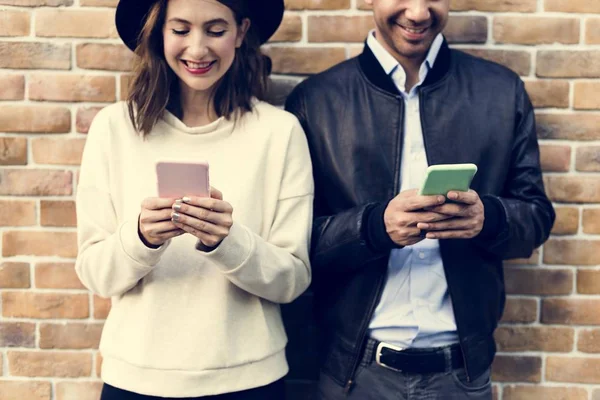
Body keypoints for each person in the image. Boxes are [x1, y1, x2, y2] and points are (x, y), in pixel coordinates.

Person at [284, 0, 555, 398]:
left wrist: (489, 218)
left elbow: (535, 218)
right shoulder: (316, 100)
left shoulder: (501, 91)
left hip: (461, 374)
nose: (418, 13)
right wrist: (375, 228)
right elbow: (293, 243)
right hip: (353, 375)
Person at [75, 0, 313, 398]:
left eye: (216, 31)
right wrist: (141, 237)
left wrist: (226, 241)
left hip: (249, 380)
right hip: (137, 380)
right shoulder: (114, 129)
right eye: (181, 30)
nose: (198, 49)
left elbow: (292, 280)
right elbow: (96, 274)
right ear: (159, 33)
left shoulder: (280, 132)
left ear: (240, 32)